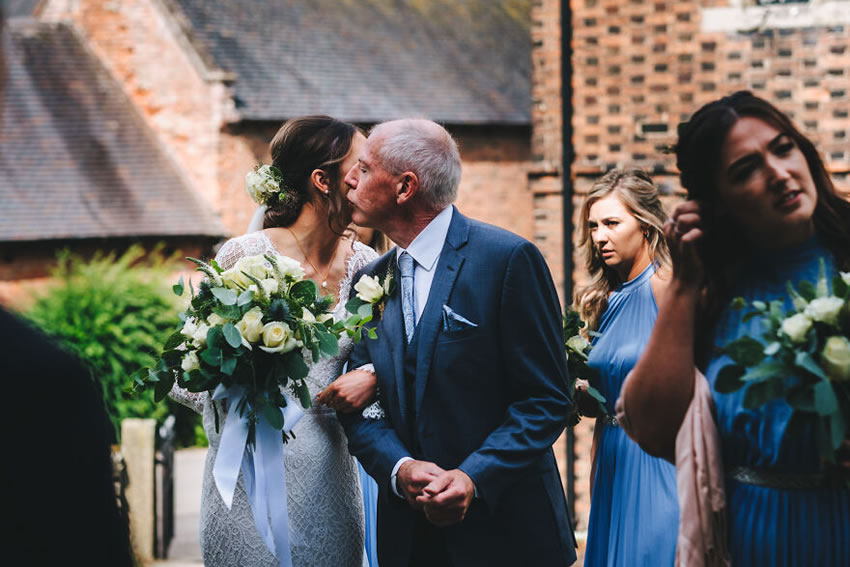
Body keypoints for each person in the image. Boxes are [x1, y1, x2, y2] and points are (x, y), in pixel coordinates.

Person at [620, 91, 850, 564]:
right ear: (715, 202)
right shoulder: (711, 292)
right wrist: (684, 283)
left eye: (783, 148)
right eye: (746, 171)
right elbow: (650, 427)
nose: (780, 174)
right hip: (753, 540)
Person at [335, 119, 577, 566]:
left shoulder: (507, 261)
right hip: (409, 542)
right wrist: (399, 469)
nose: (351, 179)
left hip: (506, 535)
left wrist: (473, 477)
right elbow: (363, 408)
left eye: (365, 169)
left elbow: (546, 399)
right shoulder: (370, 280)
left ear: (404, 187)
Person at [170, 115, 381, 567]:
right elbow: (184, 375)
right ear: (321, 180)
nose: (368, 178)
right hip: (245, 478)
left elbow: (387, 360)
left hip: (331, 480)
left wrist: (372, 377)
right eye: (358, 169)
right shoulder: (243, 256)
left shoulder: (370, 266)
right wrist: (239, 378)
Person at [575, 169, 678, 566]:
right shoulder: (604, 300)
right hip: (612, 460)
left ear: (647, 226)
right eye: (594, 226)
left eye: (613, 223)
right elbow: (608, 393)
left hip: (659, 460)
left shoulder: (667, 287)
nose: (600, 236)